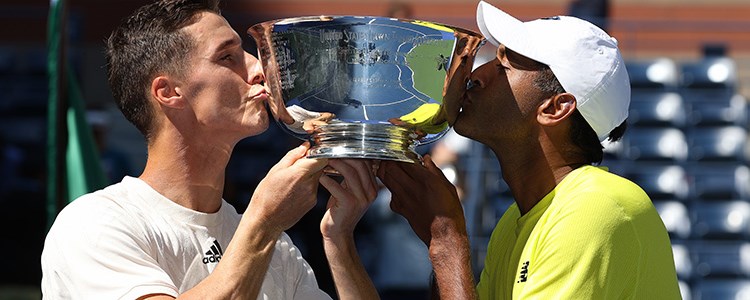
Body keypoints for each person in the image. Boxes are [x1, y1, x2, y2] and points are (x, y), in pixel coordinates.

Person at [41, 0, 379, 299]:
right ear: (169, 92)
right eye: (227, 56)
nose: (260, 69)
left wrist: (339, 241)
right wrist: (263, 221)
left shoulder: (274, 246)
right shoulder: (96, 223)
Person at [377, 1, 681, 299]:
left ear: (555, 108)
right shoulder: (517, 219)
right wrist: (339, 242)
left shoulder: (596, 206)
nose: (476, 77)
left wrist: (446, 240)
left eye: (503, 67)